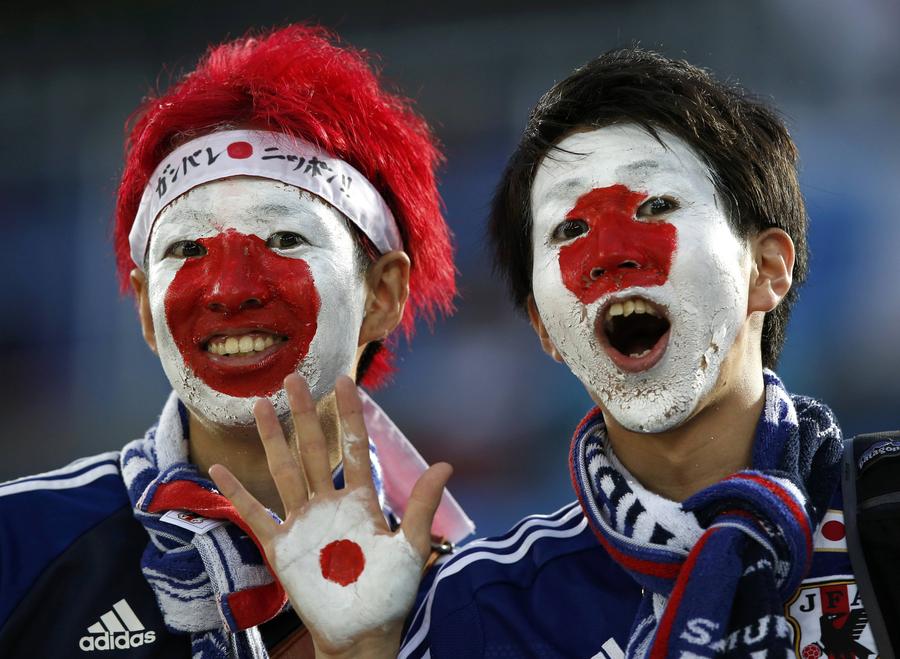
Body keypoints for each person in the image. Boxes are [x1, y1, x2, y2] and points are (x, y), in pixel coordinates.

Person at [220, 48, 885, 658]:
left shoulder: (886, 511)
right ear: (544, 328)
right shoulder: (482, 610)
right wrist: (359, 652)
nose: (610, 255)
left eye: (656, 204)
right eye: (570, 229)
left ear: (766, 268)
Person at [0, 24, 472, 659]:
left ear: (382, 294)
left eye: (284, 239)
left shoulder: (475, 600)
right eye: (189, 249)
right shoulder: (18, 545)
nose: (230, 290)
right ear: (144, 307)